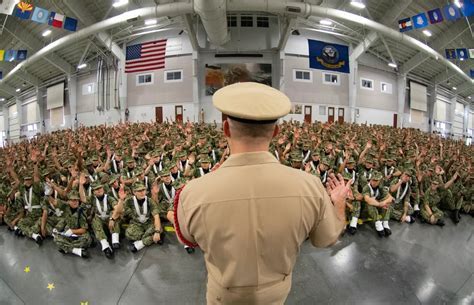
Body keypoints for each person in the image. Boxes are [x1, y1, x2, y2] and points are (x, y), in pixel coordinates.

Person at [174, 82, 349, 305]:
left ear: (225, 128)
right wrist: (338, 204)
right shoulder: (310, 187)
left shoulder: (193, 193)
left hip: (222, 297)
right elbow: (326, 239)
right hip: (276, 296)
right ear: (275, 132)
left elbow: (187, 238)